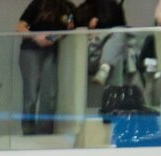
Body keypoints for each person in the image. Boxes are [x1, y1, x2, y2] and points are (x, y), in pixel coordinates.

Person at [16, 0, 75, 137]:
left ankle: (45, 132)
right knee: (31, 93)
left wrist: (53, 38)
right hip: (31, 49)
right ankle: (28, 130)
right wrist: (36, 37)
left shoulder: (67, 7)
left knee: (50, 93)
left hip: (51, 50)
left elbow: (69, 28)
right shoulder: (38, 3)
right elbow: (20, 27)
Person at [76, 0, 131, 87]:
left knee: (119, 32)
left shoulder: (111, 5)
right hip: (87, 51)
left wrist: (100, 20)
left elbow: (117, 23)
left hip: (108, 52)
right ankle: (104, 68)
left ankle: (105, 68)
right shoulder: (81, 9)